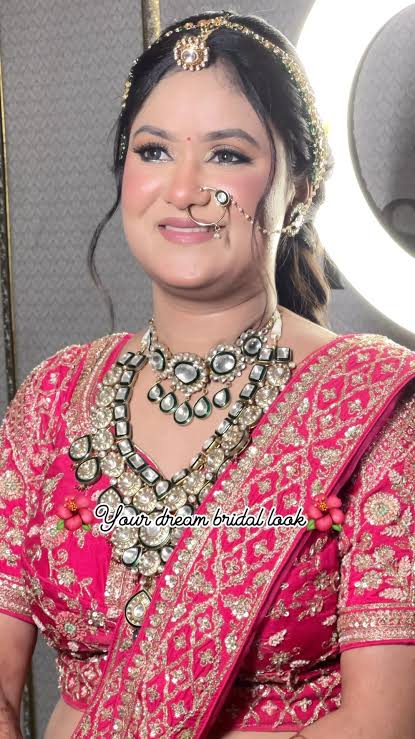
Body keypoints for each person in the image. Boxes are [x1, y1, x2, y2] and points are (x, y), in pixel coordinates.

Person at [0, 10, 415, 739]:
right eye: (153, 150)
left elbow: (383, 720)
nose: (184, 189)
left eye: (226, 155)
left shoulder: (371, 404)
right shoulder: (54, 399)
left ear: (301, 187)